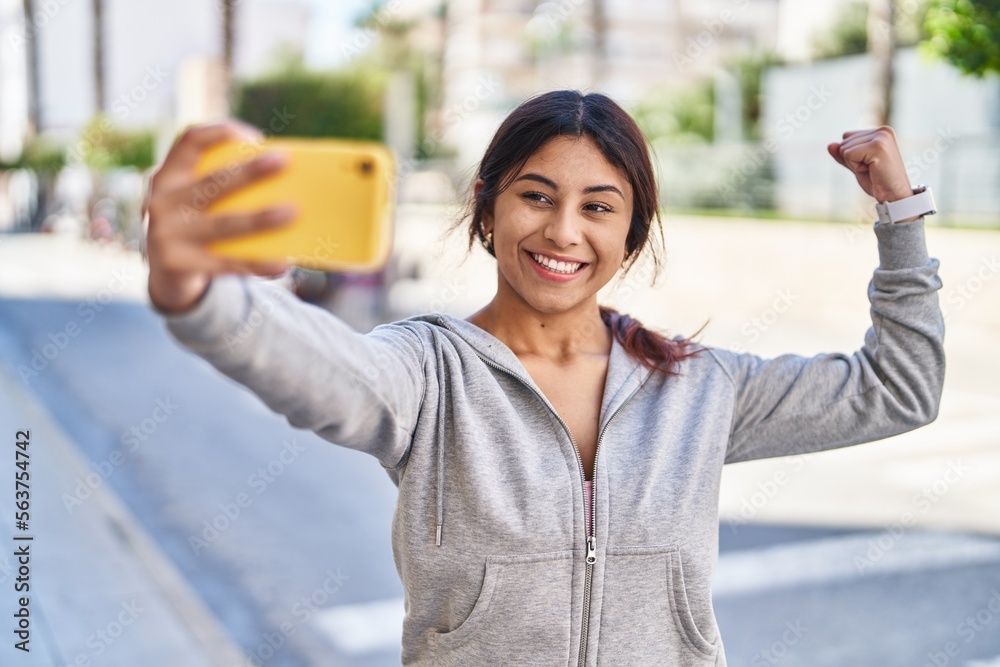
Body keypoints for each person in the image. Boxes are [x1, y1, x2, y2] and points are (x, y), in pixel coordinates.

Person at [144, 90, 945, 666]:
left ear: (630, 235)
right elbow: (322, 370)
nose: (563, 230)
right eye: (537, 196)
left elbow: (900, 388)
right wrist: (199, 293)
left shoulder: (699, 388)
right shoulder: (429, 374)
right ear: (488, 210)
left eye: (599, 206)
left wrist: (901, 216)